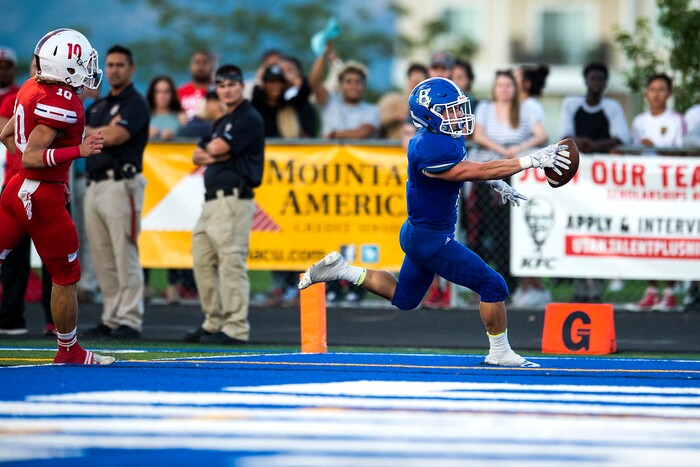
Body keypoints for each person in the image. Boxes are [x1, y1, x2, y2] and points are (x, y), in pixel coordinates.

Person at [299, 77, 571, 367]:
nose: (459, 115)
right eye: (450, 110)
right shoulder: (431, 147)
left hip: (418, 233)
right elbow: (470, 171)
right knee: (493, 285)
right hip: (431, 239)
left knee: (405, 298)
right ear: (429, 115)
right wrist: (531, 161)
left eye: (458, 108)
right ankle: (500, 353)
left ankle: (344, 269)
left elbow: (465, 171)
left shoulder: (441, 138)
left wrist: (496, 183)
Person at [0, 28, 114, 364]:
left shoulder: (30, 86)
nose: (89, 67)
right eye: (83, 61)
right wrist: (77, 151)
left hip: (16, 188)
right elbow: (34, 154)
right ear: (66, 65)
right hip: (39, 196)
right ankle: (69, 350)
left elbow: (6, 136)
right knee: (66, 276)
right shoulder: (63, 103)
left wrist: (36, 174)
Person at [183, 64, 265, 344]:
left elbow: (216, 149)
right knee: (202, 260)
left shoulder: (248, 117)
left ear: (242, 86)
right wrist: (216, 154)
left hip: (233, 198)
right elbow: (198, 155)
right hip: (211, 203)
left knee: (231, 263)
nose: (227, 89)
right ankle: (214, 322)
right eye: (222, 85)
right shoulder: (221, 121)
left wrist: (216, 154)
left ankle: (236, 327)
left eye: (232, 84)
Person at [82, 45, 149, 340]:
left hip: (121, 184)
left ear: (132, 69)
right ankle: (110, 318)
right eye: (110, 65)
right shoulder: (98, 106)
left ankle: (130, 319)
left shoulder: (135, 103)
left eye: (121, 64)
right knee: (102, 256)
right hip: (94, 184)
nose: (114, 69)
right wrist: (97, 130)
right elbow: (93, 134)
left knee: (125, 253)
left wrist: (89, 131)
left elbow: (116, 135)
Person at [467, 69, 548, 305]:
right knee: (481, 231)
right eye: (500, 85)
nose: (504, 89)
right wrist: (502, 150)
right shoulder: (484, 109)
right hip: (486, 174)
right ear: (494, 88)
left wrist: (519, 147)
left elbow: (542, 134)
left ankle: (508, 287)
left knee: (510, 231)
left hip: (515, 174)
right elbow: (478, 135)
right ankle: (479, 285)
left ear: (515, 88)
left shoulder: (525, 109)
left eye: (508, 85)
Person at [558, 62, 630, 303]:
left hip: (603, 179)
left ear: (605, 83)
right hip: (577, 177)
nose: (596, 83)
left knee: (599, 228)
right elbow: (564, 136)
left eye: (601, 79)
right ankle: (579, 284)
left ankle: (597, 284)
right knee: (576, 228)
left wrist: (591, 145)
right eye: (593, 79)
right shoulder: (571, 104)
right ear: (586, 80)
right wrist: (582, 144)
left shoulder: (611, 107)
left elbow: (622, 138)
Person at [251, 62, 315, 307]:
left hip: (292, 181)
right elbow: (254, 93)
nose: (275, 87)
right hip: (268, 180)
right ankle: (279, 285)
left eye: (280, 82)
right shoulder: (257, 104)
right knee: (273, 236)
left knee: (296, 232)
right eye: (271, 82)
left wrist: (295, 81)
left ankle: (295, 284)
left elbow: (305, 92)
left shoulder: (294, 106)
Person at [627, 73, 685, 312]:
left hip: (669, 187)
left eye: (661, 89)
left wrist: (658, 150)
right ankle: (651, 290)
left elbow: (683, 154)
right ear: (646, 93)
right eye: (652, 89)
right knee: (646, 236)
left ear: (669, 94)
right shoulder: (639, 121)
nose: (656, 94)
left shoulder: (676, 120)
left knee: (668, 235)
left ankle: (670, 291)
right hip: (645, 187)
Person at [510, 63, 553, 307]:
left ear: (525, 84)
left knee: (528, 230)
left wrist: (518, 150)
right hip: (524, 172)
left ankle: (534, 286)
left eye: (515, 78)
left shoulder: (530, 105)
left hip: (530, 173)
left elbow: (541, 135)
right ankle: (527, 286)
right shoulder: (521, 106)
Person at [310, 41, 379, 140]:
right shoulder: (329, 101)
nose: (353, 86)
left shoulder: (372, 110)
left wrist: (333, 135)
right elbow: (315, 82)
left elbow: (363, 133)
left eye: (358, 82)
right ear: (340, 85)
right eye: (348, 82)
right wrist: (323, 54)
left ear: (364, 86)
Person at [378, 62, 428, 140]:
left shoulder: (431, 103)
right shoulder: (393, 100)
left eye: (420, 82)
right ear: (408, 80)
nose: (417, 85)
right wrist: (394, 117)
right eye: (414, 81)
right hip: (395, 147)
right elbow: (377, 121)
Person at [178, 49, 216, 122]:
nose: (200, 66)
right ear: (190, 66)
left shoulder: (218, 91)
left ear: (211, 66)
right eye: (197, 62)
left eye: (205, 62)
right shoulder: (179, 93)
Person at [147, 75, 186, 141]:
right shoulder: (144, 116)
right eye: (158, 92)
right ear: (152, 95)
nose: (162, 96)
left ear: (172, 95)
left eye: (166, 92)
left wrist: (174, 136)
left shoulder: (180, 117)